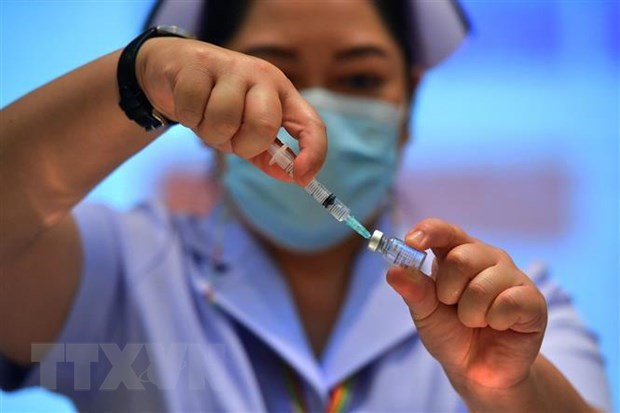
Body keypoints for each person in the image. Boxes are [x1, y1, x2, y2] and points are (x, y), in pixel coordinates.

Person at [0, 0, 611, 412]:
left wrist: (511, 390)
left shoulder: (508, 310)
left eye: (361, 81)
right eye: (268, 76)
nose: (310, 112)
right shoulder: (123, 276)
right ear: (199, 97)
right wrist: (140, 77)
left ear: (410, 102)